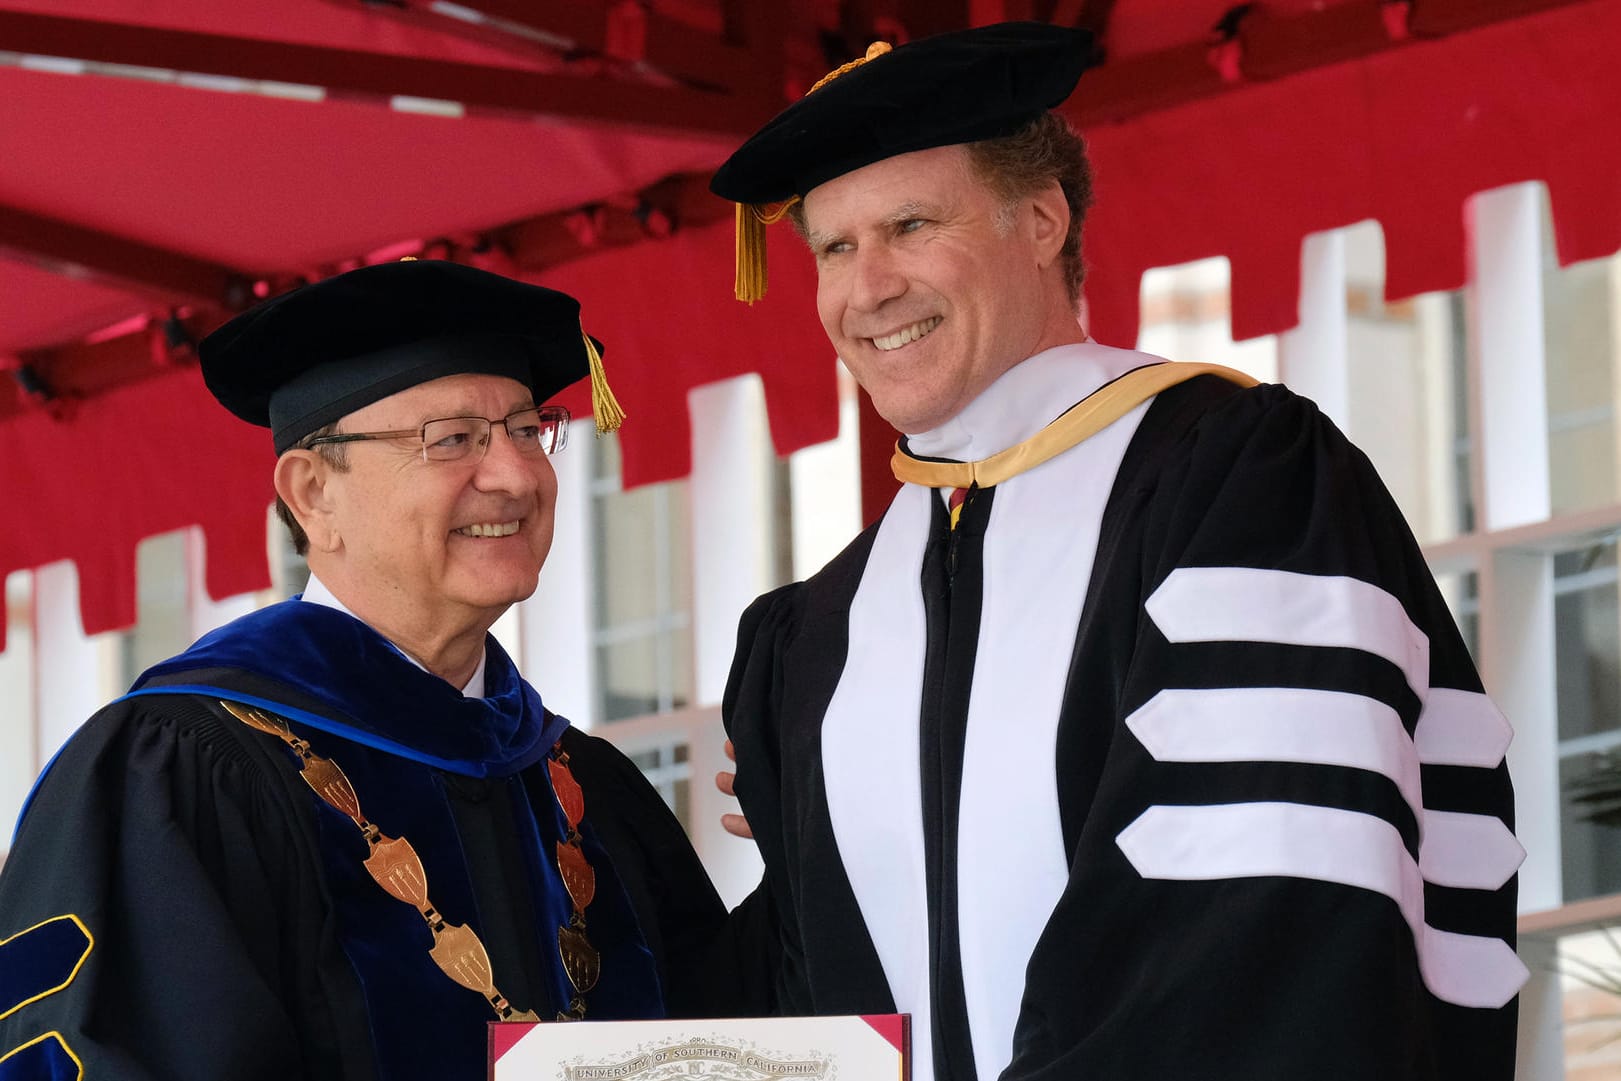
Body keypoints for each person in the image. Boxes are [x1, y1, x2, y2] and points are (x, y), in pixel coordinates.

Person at [709, 21, 1525, 1081]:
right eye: (833, 247)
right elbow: (803, 995)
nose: (867, 288)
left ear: (1041, 220)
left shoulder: (1239, 486)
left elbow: (1267, 921)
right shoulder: (816, 633)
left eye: (910, 225)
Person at [0, 260, 764, 1081]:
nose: (513, 474)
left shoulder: (583, 783)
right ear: (313, 494)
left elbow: (731, 1036)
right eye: (453, 440)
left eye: (525, 428)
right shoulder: (182, 771)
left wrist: (817, 843)